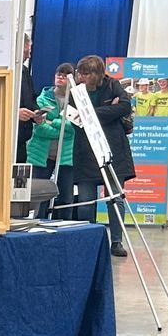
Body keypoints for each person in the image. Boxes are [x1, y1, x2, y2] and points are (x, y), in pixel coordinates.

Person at [73, 54, 136, 256]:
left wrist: (92, 112)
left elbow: (125, 106)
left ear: (96, 74)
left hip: (113, 150)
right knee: (85, 202)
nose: (80, 77)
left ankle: (116, 241)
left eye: (85, 74)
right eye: (79, 73)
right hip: (86, 152)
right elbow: (73, 113)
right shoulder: (75, 90)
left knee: (115, 199)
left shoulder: (112, 85)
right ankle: (90, 241)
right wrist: (111, 109)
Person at [24, 67, 77, 221]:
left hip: (65, 157)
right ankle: (37, 227)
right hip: (41, 155)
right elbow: (40, 130)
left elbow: (73, 128)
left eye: (65, 75)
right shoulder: (42, 100)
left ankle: (66, 232)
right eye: (58, 74)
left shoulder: (76, 102)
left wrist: (51, 121)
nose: (60, 77)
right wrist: (61, 128)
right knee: (39, 197)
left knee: (66, 198)